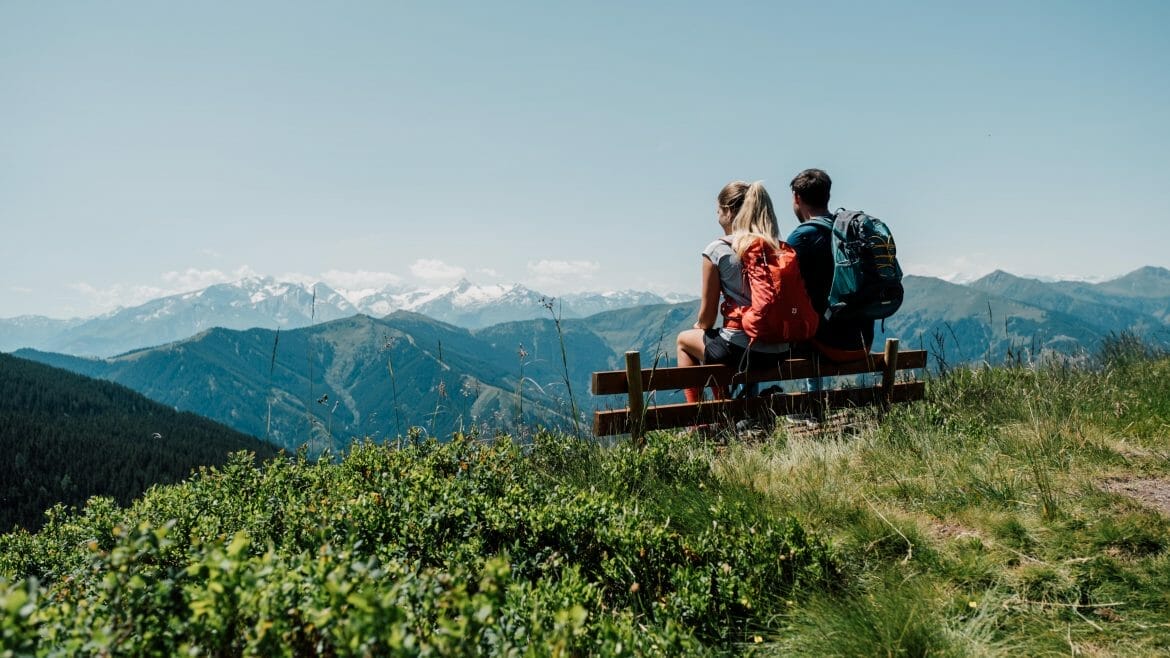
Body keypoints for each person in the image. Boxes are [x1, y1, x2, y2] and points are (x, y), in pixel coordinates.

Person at [676, 180, 792, 403]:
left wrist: (699, 327)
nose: (717, 215)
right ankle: (729, 409)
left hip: (742, 351)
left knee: (684, 340)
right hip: (780, 349)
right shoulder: (776, 247)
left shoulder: (718, 250)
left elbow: (708, 319)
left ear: (728, 212)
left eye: (718, 210)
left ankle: (698, 420)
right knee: (724, 341)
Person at [787, 168, 875, 362]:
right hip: (865, 342)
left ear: (797, 198)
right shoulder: (849, 231)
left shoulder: (801, 237)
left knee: (758, 346)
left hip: (831, 344)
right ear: (828, 196)